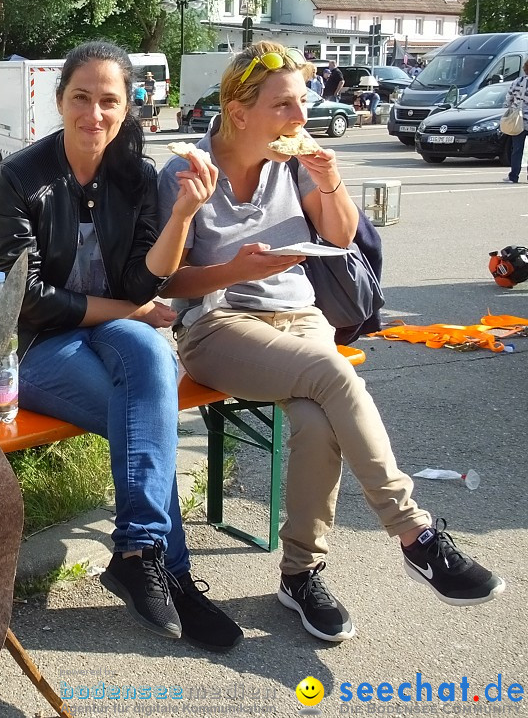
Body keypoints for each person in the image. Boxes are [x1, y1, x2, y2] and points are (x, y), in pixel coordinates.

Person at [156, 41, 505, 644]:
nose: (302, 117)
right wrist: (239, 271)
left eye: (302, 102)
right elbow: (166, 279)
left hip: (302, 320)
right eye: (285, 105)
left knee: (319, 427)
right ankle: (416, 534)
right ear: (240, 111)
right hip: (220, 326)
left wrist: (332, 180)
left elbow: (341, 235)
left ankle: (300, 575)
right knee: (337, 377)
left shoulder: (294, 164)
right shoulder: (187, 171)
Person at [0, 41, 242, 652]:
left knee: (149, 359)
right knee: (145, 420)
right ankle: (170, 572)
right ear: (59, 99)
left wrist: (182, 215)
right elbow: (28, 297)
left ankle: (140, 549)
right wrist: (129, 311)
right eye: (81, 97)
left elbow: (143, 282)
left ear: (127, 109)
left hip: (110, 336)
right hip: (37, 349)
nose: (93, 113)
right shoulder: (19, 178)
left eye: (108, 101)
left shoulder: (135, 178)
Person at [502, 61, 528, 183]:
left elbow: (508, 99)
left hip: (519, 120)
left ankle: (514, 176)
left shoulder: (518, 82)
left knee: (517, 149)